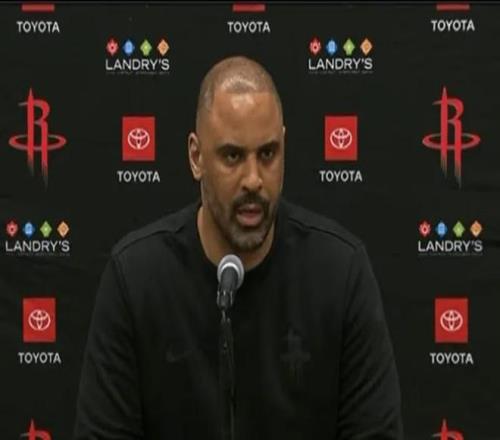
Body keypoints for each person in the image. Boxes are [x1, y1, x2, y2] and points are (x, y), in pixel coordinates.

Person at [73, 55, 404, 439]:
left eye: (268, 155)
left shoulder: (340, 272)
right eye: (232, 156)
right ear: (196, 157)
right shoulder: (136, 279)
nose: (253, 180)